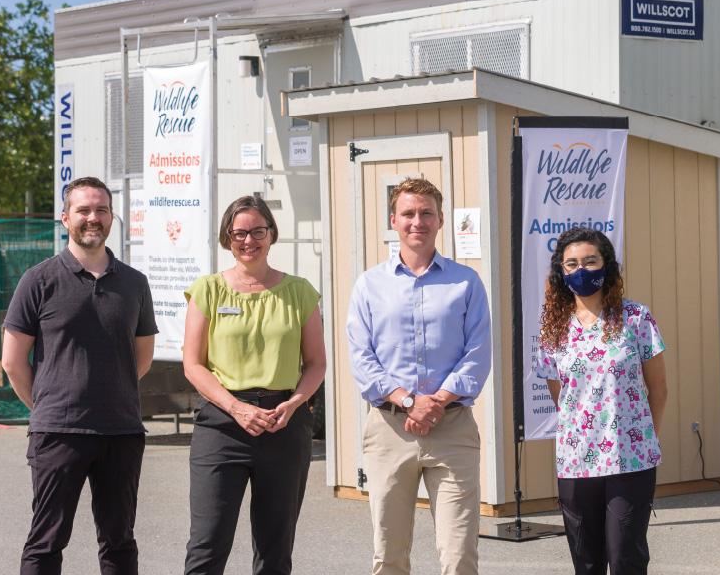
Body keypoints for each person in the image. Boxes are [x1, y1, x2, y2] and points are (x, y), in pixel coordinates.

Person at [1, 176, 158, 575]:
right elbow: (12, 361)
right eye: (84, 210)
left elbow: (140, 358)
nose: (93, 218)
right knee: (47, 542)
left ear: (111, 217)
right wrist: (49, 405)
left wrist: (109, 392)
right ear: (65, 217)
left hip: (121, 432)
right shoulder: (38, 280)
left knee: (119, 542)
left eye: (101, 210)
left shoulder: (135, 284)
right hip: (58, 433)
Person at [346, 177, 492, 575]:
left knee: (459, 555)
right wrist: (408, 401)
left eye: (426, 213)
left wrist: (437, 402)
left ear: (440, 220)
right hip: (390, 431)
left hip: (453, 428)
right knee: (389, 556)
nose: (417, 221)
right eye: (408, 213)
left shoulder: (466, 282)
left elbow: (477, 355)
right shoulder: (369, 285)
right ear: (393, 220)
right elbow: (362, 357)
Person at [182, 195, 326, 575]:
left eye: (257, 231)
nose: (249, 240)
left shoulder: (300, 292)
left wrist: (295, 403)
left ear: (271, 234)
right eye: (239, 232)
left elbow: (316, 364)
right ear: (227, 238)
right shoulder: (208, 290)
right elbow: (193, 365)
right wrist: (236, 407)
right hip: (223, 425)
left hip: (283, 423)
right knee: (207, 544)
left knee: (275, 549)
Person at [534, 227, 668, 575]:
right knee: (587, 561)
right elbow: (558, 393)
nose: (581, 270)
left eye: (590, 261)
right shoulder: (554, 328)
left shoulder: (636, 318)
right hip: (576, 461)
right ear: (561, 273)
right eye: (572, 264)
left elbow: (659, 389)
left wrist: (643, 435)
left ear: (606, 265)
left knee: (626, 556)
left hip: (630, 458)